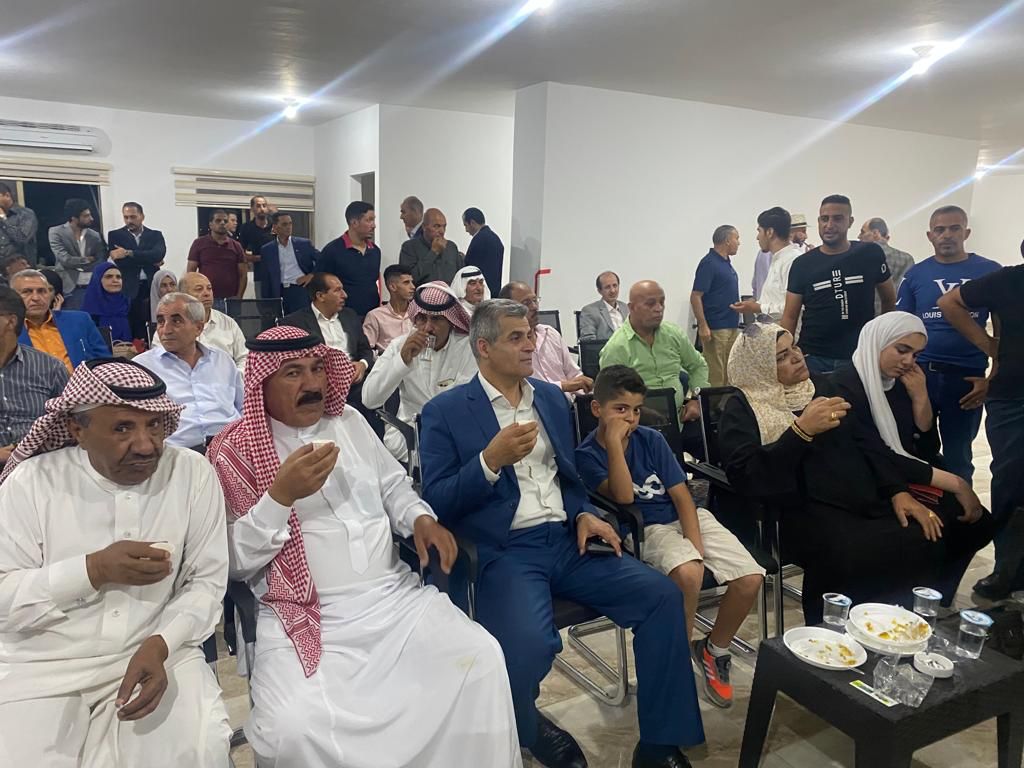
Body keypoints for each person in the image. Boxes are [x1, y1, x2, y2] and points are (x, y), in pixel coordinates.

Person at [207, 325, 520, 768]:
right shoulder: (234, 451)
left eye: (318, 368)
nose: (313, 383)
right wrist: (280, 497)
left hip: (393, 601)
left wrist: (420, 519)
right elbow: (234, 562)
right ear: (262, 383)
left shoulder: (349, 422)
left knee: (480, 659)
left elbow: (394, 486)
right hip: (305, 617)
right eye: (293, 373)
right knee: (293, 729)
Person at [420, 299, 703, 768]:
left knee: (661, 597)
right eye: (516, 337)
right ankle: (528, 726)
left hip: (568, 539)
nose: (530, 344)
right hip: (506, 549)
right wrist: (489, 461)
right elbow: (438, 500)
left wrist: (584, 512)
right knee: (527, 646)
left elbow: (567, 478)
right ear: (484, 348)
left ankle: (658, 746)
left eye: (530, 334)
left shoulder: (550, 399)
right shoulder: (445, 411)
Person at [0, 358, 231, 766]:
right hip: (39, 667)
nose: (145, 445)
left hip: (158, 649)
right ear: (77, 430)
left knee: (196, 751)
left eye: (154, 425)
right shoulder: (32, 483)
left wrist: (161, 643)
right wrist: (92, 570)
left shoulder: (191, 473)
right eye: (123, 428)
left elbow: (206, 582)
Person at [720, 317, 993, 623]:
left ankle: (895, 624)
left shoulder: (822, 387)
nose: (796, 357)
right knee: (851, 552)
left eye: (794, 347)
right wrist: (800, 432)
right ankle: (834, 631)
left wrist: (897, 491)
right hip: (795, 507)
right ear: (758, 367)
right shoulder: (742, 407)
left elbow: (868, 444)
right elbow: (746, 474)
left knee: (921, 534)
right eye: (781, 356)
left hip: (853, 494)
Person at [576, 366, 763, 709]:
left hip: (685, 516)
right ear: (597, 409)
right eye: (620, 409)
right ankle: (677, 661)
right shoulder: (587, 455)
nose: (630, 418)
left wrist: (695, 544)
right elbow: (624, 497)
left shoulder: (652, 439)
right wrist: (615, 445)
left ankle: (713, 649)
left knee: (750, 577)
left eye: (636, 410)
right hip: (644, 528)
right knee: (689, 572)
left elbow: (681, 496)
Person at [896, 205, 1000, 483]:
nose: (947, 235)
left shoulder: (990, 272)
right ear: (930, 235)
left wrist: (991, 378)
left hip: (967, 378)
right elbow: (900, 329)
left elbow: (1004, 335)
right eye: (939, 230)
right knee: (918, 449)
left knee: (958, 456)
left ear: (966, 232)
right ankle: (924, 506)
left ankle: (961, 509)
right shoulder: (915, 275)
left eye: (954, 228)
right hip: (921, 375)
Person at [938, 260, 1024, 599]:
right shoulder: (1010, 278)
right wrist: (990, 345)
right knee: (1011, 482)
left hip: (1010, 394)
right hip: (1014, 395)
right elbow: (950, 302)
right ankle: (1008, 570)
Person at [781, 194, 896, 374]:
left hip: (859, 355)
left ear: (850, 221)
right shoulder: (802, 264)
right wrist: (783, 356)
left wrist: (882, 340)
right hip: (814, 357)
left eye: (837, 218)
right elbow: (790, 316)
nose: (829, 225)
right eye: (824, 219)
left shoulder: (870, 254)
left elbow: (889, 299)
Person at [363, 282, 477, 462]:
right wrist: (401, 361)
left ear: (451, 322)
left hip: (456, 433)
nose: (428, 328)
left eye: (436, 319)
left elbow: (466, 403)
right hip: (411, 435)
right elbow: (369, 399)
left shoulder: (467, 348)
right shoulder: (400, 346)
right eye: (422, 318)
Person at [135, 293, 243, 452]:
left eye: (176, 321)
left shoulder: (222, 360)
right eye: (161, 321)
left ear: (198, 328)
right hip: (177, 453)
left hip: (231, 448)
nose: (166, 330)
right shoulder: (142, 367)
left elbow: (243, 407)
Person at [601, 280, 709, 425]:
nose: (659, 308)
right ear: (631, 308)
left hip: (681, 419)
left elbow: (698, 366)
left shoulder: (673, 334)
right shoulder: (616, 347)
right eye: (650, 304)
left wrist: (696, 399)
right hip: (638, 424)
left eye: (662, 302)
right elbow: (611, 397)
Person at [0, 286, 69, 464]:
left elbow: (70, 424)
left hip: (39, 463)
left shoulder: (50, 368)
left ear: (10, 321)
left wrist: (29, 450)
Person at [500, 281, 592, 396]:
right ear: (508, 310)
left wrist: (585, 387)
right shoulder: (508, 345)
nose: (534, 307)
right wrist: (563, 386)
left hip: (568, 403)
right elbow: (523, 389)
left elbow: (574, 374)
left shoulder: (550, 333)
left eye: (535, 300)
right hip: (535, 405)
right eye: (526, 303)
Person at [13, 269, 108, 371]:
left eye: (42, 291)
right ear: (13, 297)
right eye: (27, 292)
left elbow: (106, 362)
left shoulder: (80, 320)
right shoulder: (7, 330)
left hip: (83, 380)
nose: (36, 298)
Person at [107, 202, 167, 340]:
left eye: (133, 217)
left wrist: (128, 253)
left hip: (150, 285)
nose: (129, 220)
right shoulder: (115, 235)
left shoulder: (155, 235)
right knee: (131, 325)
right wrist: (148, 258)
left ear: (142, 216)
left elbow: (158, 254)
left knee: (153, 322)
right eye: (126, 217)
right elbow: (121, 261)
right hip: (128, 287)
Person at [691, 225, 741, 386]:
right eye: (736, 238)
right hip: (716, 328)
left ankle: (726, 402)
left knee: (729, 374)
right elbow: (696, 296)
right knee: (716, 376)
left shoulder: (725, 263)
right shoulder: (709, 263)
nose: (739, 243)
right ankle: (713, 402)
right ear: (727, 240)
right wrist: (703, 325)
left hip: (731, 325)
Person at [731, 208, 801, 321]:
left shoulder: (792, 260)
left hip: (784, 330)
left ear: (769, 232)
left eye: (759, 231)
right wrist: (753, 304)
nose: (757, 237)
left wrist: (758, 307)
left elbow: (794, 308)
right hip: (770, 328)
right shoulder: (777, 258)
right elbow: (774, 298)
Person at [316, 201, 382, 319]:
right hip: (342, 316)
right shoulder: (332, 251)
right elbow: (320, 284)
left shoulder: (375, 251)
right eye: (369, 220)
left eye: (373, 220)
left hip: (372, 315)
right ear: (354, 223)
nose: (374, 225)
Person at [49, 198, 107, 310]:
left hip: (93, 284)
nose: (91, 219)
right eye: (86, 216)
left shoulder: (94, 235)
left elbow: (100, 259)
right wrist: (87, 260)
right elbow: (65, 259)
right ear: (74, 218)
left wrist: (80, 262)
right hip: (70, 287)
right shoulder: (56, 232)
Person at [258, 210, 318, 313]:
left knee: (302, 319)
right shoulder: (267, 249)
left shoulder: (303, 244)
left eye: (290, 224)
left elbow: (323, 260)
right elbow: (266, 277)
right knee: (284, 320)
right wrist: (266, 302)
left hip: (300, 289)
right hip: (280, 291)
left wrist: (311, 275)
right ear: (275, 227)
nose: (289, 227)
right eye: (284, 224)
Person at [859, 216, 916, 315]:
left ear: (875, 233)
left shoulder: (860, 257)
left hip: (866, 318)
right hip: (895, 317)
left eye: (862, 232)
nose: (859, 236)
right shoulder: (907, 259)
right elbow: (907, 294)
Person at [187, 209, 247, 299]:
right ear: (210, 224)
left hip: (231, 299)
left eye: (225, 221)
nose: (222, 223)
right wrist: (193, 296)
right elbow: (191, 273)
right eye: (218, 220)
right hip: (205, 296)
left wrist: (239, 297)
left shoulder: (236, 246)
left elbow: (243, 275)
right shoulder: (199, 243)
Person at [399, 208, 464, 286]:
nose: (442, 231)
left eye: (444, 226)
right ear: (424, 227)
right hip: (422, 293)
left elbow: (461, 278)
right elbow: (410, 279)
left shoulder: (451, 247)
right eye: (436, 226)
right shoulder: (409, 247)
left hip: (450, 292)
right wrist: (433, 253)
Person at [363, 263, 415, 354]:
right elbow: (366, 350)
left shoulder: (418, 313)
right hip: (386, 360)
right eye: (406, 282)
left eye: (412, 282)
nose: (413, 287)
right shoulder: (375, 316)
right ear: (392, 287)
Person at [80, 262, 133, 343]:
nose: (115, 280)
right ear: (98, 280)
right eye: (109, 277)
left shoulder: (127, 304)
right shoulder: (89, 310)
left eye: (118, 277)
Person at [463, 207, 504, 296]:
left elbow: (470, 267)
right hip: (494, 291)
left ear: (472, 223)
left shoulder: (479, 239)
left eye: (466, 225)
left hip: (481, 293)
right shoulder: (495, 238)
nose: (466, 230)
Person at [578, 271, 630, 342]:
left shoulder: (626, 308)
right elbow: (589, 341)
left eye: (615, 285)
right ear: (599, 291)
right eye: (607, 287)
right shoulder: (590, 311)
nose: (612, 290)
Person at [239, 195, 275, 294]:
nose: (262, 209)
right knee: (262, 302)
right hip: (260, 275)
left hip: (279, 274)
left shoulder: (275, 225)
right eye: (258, 206)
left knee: (280, 302)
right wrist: (258, 258)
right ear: (252, 209)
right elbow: (241, 254)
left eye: (264, 205)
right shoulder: (247, 228)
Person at [0, 183, 38, 265]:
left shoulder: (25, 214)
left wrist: (3, 218)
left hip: (21, 266)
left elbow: (22, 239)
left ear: (7, 195)